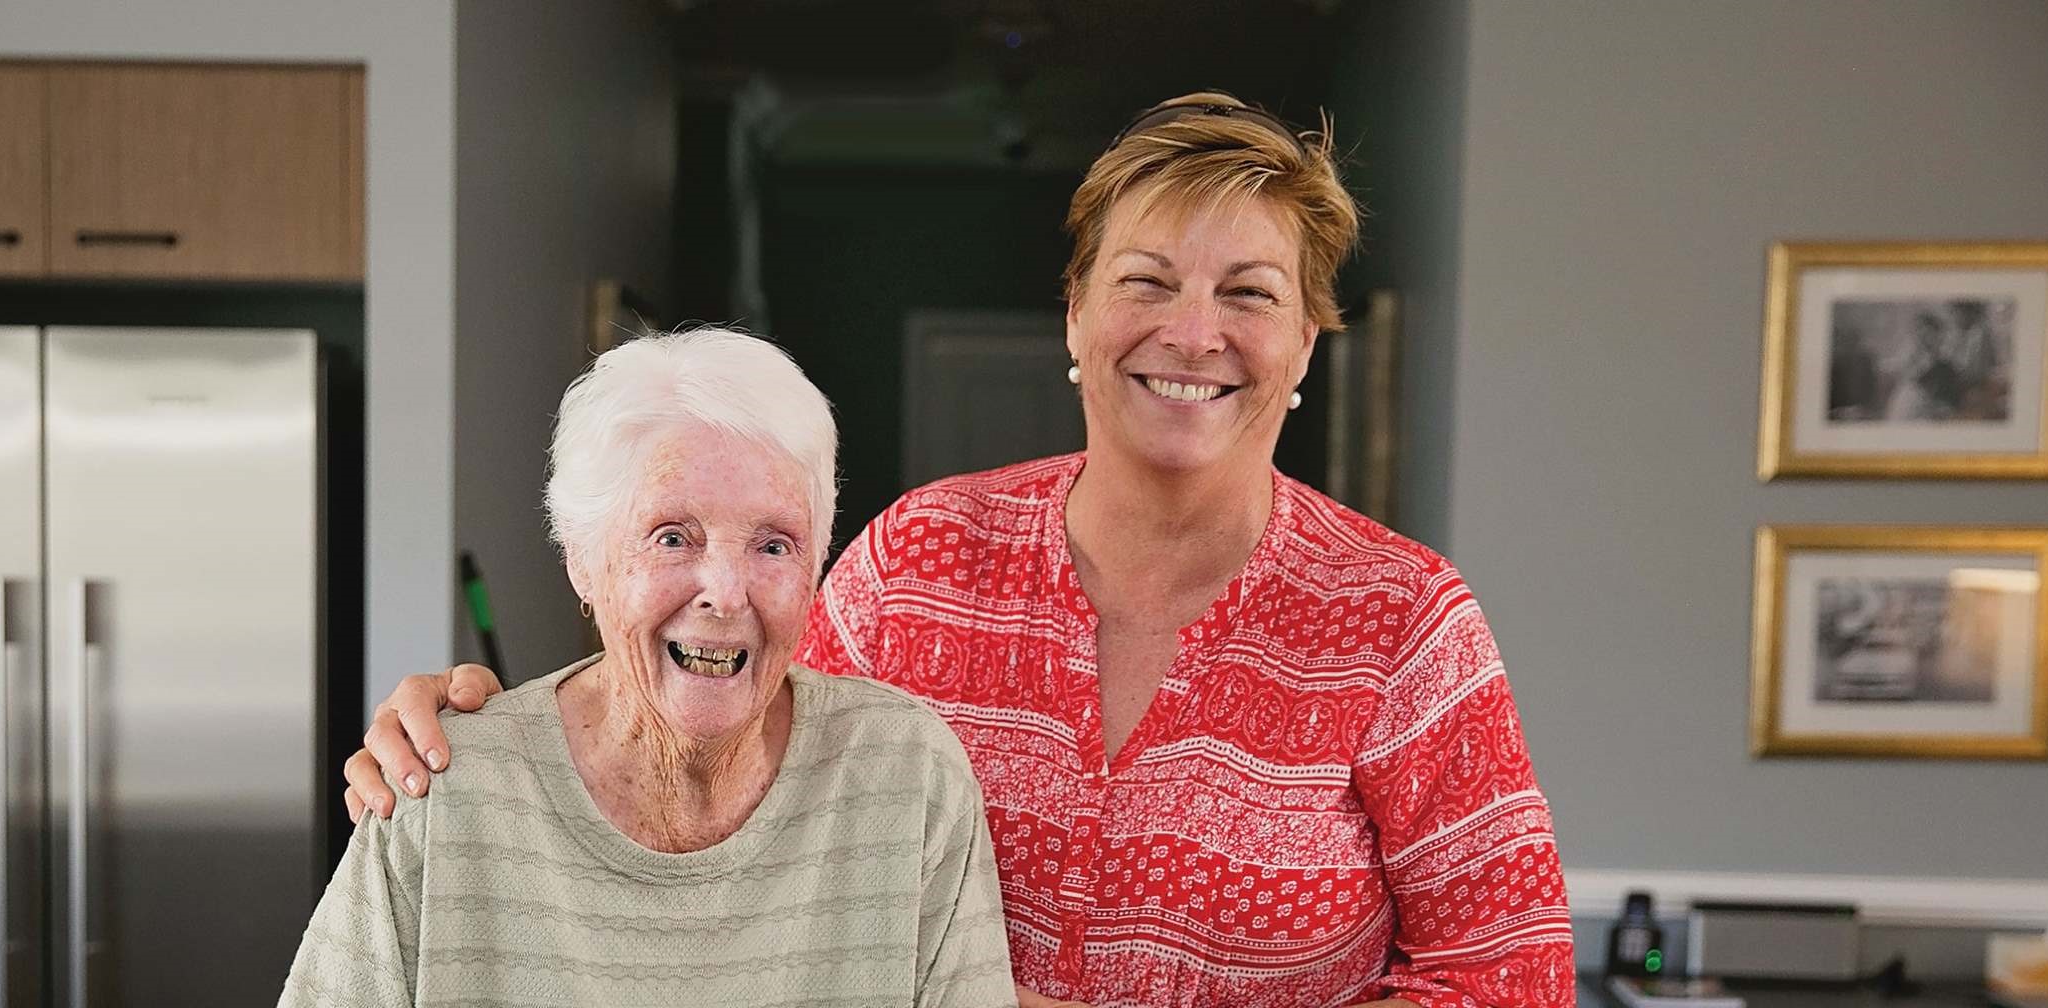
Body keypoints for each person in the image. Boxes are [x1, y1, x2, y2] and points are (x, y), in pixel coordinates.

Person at [348, 93, 1573, 1008]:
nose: (1192, 333)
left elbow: (1508, 979)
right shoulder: (916, 561)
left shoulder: (1404, 622)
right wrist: (485, 730)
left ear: (1305, 344)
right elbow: (719, 776)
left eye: (1250, 294)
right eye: (1145, 281)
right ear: (1077, 318)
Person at [282, 329, 1015, 1006]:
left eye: (773, 545)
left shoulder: (906, 778)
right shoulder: (445, 796)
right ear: (581, 558)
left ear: (816, 566)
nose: (726, 596)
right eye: (672, 537)